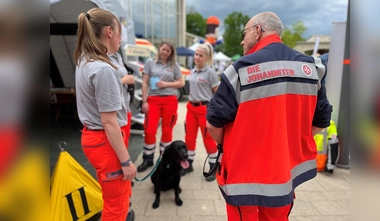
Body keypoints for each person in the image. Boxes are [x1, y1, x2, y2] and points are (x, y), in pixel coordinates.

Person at [206, 12, 332, 221]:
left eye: (244, 33)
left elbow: (213, 123)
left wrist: (226, 146)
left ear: (258, 31)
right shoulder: (311, 68)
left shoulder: (239, 70)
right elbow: (322, 119)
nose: (241, 40)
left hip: (242, 176)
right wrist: (291, 142)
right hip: (283, 175)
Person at [73, 8, 136, 221]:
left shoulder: (84, 60)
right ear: (109, 32)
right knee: (116, 208)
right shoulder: (104, 69)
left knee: (112, 198)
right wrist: (126, 162)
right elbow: (109, 123)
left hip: (94, 139)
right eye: (120, 33)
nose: (121, 39)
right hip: (104, 140)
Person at [137, 40, 184, 172]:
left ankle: (165, 158)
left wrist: (166, 84)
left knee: (167, 130)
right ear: (159, 48)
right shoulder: (150, 63)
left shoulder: (174, 65)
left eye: (168, 51)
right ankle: (148, 158)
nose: (165, 52)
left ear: (171, 53)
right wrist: (144, 101)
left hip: (169, 100)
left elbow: (180, 83)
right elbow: (145, 83)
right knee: (149, 130)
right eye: (163, 49)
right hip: (153, 100)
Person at [181, 43, 219, 181]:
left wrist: (215, 111)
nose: (197, 57)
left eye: (200, 55)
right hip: (191, 109)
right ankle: (188, 164)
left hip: (205, 109)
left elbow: (218, 93)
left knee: (208, 139)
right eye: (196, 54)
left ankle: (213, 166)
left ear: (207, 57)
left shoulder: (211, 73)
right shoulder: (192, 71)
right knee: (189, 138)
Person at [109, 52, 135, 147]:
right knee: (118, 146)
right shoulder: (102, 58)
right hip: (115, 112)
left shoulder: (118, 56)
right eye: (119, 36)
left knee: (125, 141)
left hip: (125, 107)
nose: (120, 38)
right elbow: (104, 86)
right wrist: (124, 81)